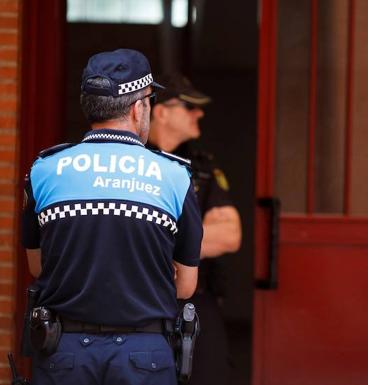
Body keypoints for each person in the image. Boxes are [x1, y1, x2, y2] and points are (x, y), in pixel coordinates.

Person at [21, 49, 202, 385]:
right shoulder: (175, 176)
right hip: (144, 355)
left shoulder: (43, 170)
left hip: (64, 352)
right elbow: (186, 285)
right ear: (139, 108)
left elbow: (38, 267)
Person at [147, 73, 242, 385]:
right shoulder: (129, 163)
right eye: (189, 107)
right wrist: (194, 234)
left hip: (195, 301)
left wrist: (149, 236)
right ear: (160, 111)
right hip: (139, 298)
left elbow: (229, 234)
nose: (199, 113)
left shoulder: (200, 167)